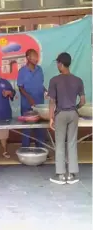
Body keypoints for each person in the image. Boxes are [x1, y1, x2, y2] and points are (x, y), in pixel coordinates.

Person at [48, 52, 85, 185]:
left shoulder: (54, 80)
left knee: (59, 144)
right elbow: (82, 101)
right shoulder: (78, 80)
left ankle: (61, 175)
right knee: (72, 143)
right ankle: (72, 175)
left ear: (61, 64)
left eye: (58, 63)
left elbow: (52, 101)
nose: (57, 65)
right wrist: (74, 107)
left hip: (61, 114)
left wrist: (50, 118)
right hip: (73, 114)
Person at [17, 49, 46, 148]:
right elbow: (20, 87)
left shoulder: (40, 69)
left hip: (40, 105)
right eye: (34, 56)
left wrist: (46, 91)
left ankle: (41, 149)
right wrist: (29, 98)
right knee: (27, 129)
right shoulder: (22, 71)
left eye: (37, 56)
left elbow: (41, 85)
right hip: (27, 105)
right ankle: (25, 149)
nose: (36, 58)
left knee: (41, 129)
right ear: (28, 58)